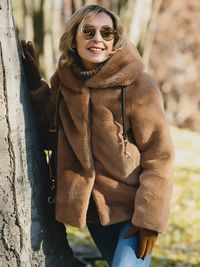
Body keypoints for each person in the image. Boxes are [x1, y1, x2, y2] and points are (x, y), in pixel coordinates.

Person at [21, 5, 174, 267]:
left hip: (133, 211)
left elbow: (159, 156)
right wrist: (33, 86)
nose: (98, 39)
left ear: (115, 40)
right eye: (89, 31)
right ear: (74, 37)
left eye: (107, 33)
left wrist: (149, 218)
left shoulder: (139, 86)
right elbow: (50, 134)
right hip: (94, 213)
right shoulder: (64, 82)